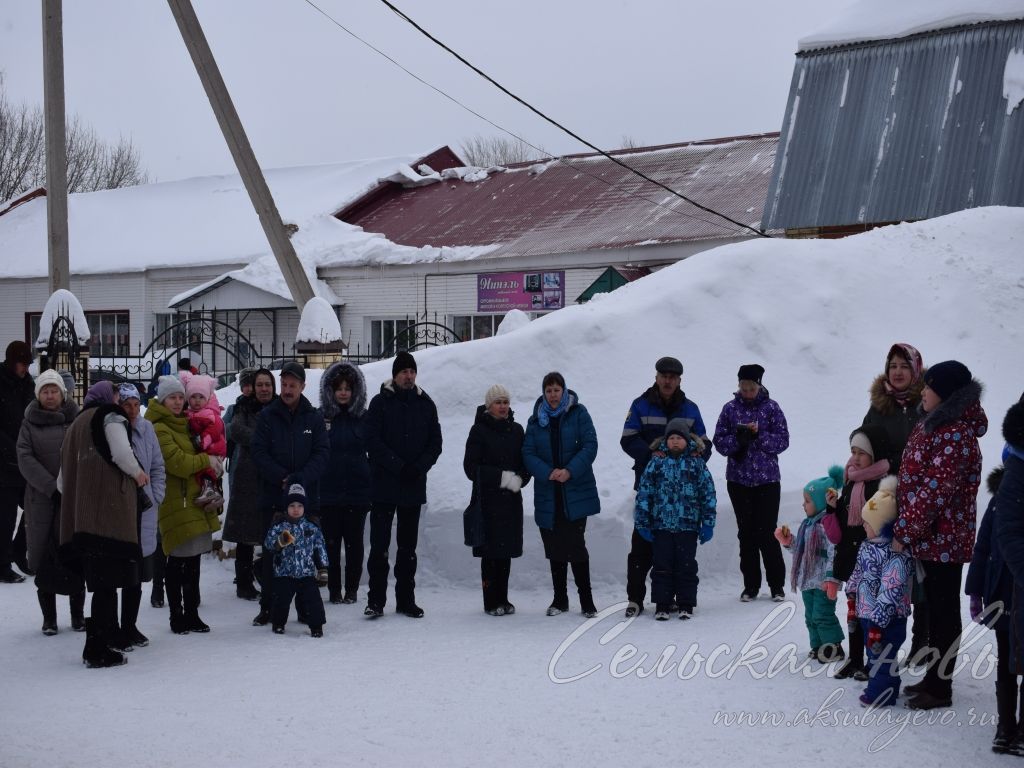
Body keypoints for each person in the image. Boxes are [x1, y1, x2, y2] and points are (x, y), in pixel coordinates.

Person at [895, 360, 986, 710]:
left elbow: (935, 490)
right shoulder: (933, 424)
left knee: (945, 611)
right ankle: (934, 678)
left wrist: (905, 529)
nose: (923, 391)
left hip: (944, 540)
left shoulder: (955, 434)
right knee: (934, 607)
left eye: (929, 387)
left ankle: (940, 687)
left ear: (946, 394)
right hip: (930, 538)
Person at [59, 381, 148, 668]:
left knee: (99, 584)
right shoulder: (109, 416)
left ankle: (101, 641)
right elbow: (122, 454)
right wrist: (138, 475)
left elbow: (61, 481)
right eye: (115, 396)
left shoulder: (75, 424)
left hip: (81, 521)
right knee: (108, 584)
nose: (118, 401)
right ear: (107, 398)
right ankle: (97, 649)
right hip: (107, 518)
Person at [620, 356, 710, 617]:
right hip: (650, 491)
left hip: (683, 497)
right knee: (641, 548)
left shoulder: (690, 409)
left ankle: (673, 599)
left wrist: (697, 456)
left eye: (673, 377)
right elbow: (627, 439)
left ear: (679, 380)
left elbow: (705, 442)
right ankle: (635, 599)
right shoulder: (640, 405)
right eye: (664, 376)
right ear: (656, 377)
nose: (668, 380)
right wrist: (652, 456)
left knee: (677, 554)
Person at [862, 342, 929, 660]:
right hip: (887, 499)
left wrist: (900, 463)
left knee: (922, 572)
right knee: (890, 573)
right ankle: (883, 643)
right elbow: (864, 442)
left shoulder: (928, 403)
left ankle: (922, 641)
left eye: (904, 365)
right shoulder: (879, 406)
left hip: (923, 498)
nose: (898, 372)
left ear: (915, 370)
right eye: (893, 366)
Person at [363, 351, 442, 619]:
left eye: (411, 372)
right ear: (394, 375)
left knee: (407, 549)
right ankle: (376, 600)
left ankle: (406, 599)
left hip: (413, 486)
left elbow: (435, 443)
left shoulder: (426, 404)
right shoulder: (379, 403)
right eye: (403, 372)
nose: (408, 376)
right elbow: (372, 441)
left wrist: (418, 467)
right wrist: (398, 465)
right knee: (379, 547)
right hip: (384, 486)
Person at [250, 362, 329, 626]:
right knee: (274, 554)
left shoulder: (314, 417)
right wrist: (282, 477)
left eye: (292, 385)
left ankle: (306, 610)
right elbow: (258, 452)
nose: (286, 390)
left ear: (302, 387)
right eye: (283, 384)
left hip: (307, 500)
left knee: (304, 556)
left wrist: (301, 480)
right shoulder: (267, 416)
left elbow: (322, 453)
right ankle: (269, 608)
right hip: (274, 497)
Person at [145, 375, 223, 634]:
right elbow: (176, 462)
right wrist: (206, 461)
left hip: (193, 501)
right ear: (162, 399)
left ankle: (191, 613)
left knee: (192, 562)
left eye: (181, 397)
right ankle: (176, 615)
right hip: (176, 500)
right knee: (177, 561)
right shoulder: (159, 428)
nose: (178, 402)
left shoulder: (186, 423)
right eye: (172, 397)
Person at [523, 371, 601, 617]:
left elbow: (590, 446)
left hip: (574, 490)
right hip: (549, 492)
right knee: (554, 548)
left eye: (557, 390)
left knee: (576, 547)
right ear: (543, 393)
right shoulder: (536, 421)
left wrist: (569, 471)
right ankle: (560, 600)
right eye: (549, 390)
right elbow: (528, 453)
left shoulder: (578, 413)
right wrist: (547, 472)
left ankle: (586, 601)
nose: (553, 395)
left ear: (564, 391)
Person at [714, 364, 790, 602]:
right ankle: (751, 586)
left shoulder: (771, 408)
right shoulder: (729, 409)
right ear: (738, 386)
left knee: (767, 532)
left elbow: (783, 440)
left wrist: (759, 436)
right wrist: (739, 439)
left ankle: (776, 585)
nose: (747, 392)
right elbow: (719, 442)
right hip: (738, 481)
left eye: (752, 388)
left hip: (767, 481)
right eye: (744, 388)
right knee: (746, 534)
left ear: (759, 386)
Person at [823, 425, 894, 681]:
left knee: (871, 612)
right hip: (850, 556)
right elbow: (842, 526)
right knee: (853, 610)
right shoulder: (850, 481)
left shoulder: (881, 483)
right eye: (852, 451)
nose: (855, 457)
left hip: (873, 560)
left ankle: (873, 660)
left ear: (873, 454)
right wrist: (833, 509)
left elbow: (882, 521)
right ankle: (854, 659)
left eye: (861, 452)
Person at [16, 369, 84, 634]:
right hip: (42, 501)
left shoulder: (75, 419)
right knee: (45, 556)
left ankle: (77, 616)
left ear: (62, 393)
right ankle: (49, 619)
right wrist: (50, 487)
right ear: (38, 395)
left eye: (54, 390)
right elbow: (25, 458)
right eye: (45, 391)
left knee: (74, 554)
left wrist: (71, 485)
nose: (50, 395)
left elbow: (84, 452)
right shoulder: (29, 423)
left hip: (72, 498)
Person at [967, 452, 1023, 754]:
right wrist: (975, 591)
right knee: (1007, 661)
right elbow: (983, 545)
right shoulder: (1001, 498)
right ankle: (1005, 725)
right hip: (1002, 591)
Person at [633, 418, 716, 621]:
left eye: (680, 438)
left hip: (687, 526)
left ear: (688, 441)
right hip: (661, 526)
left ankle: (685, 603)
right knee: (662, 566)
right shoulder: (656, 463)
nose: (676, 441)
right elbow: (645, 493)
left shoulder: (697, 463)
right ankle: (662, 603)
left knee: (686, 566)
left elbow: (708, 493)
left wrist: (708, 522)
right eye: (672, 438)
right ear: (665, 440)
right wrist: (643, 522)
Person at [462, 383, 530, 616]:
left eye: (505, 402)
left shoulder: (517, 430)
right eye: (498, 402)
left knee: (505, 552)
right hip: (488, 501)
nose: (502, 406)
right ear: (488, 406)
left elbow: (526, 462)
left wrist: (521, 478)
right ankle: (491, 601)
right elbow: (471, 467)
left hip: (511, 501)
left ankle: (504, 598)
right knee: (490, 554)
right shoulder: (479, 430)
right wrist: (502, 478)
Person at [846, 477, 914, 707]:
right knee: (877, 655)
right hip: (868, 613)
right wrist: (852, 591)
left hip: (887, 618)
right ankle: (889, 688)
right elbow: (858, 572)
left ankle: (879, 694)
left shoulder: (896, 554)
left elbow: (891, 589)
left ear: (883, 524)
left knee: (881, 656)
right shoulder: (867, 546)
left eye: (868, 522)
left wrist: (878, 620)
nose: (864, 525)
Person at [775, 465, 845, 663]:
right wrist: (789, 541)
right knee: (811, 617)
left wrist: (832, 579)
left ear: (821, 502)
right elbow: (803, 551)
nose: (803, 505)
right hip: (807, 580)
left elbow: (834, 552)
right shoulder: (808, 524)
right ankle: (818, 646)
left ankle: (833, 648)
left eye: (807, 501)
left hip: (823, 581)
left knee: (823, 615)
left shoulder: (827, 526)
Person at [318, 362, 371, 605]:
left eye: (347, 388)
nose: (343, 392)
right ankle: (334, 590)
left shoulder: (363, 418)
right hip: (328, 492)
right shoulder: (320, 418)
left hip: (357, 492)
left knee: (354, 545)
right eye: (338, 388)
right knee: (331, 545)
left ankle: (351, 590)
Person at [117, 383, 166, 648]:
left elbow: (157, 464)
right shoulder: (114, 430)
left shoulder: (147, 429)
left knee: (137, 572)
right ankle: (117, 628)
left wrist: (156, 494)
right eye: (127, 405)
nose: (133, 410)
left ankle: (131, 625)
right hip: (122, 510)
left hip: (145, 509)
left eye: (136, 404)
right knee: (121, 570)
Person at [222, 368, 275, 601]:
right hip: (247, 476)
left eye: (267, 385)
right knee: (244, 535)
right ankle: (243, 583)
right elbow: (235, 430)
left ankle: (270, 577)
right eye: (260, 384)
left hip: (272, 477)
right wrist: (264, 440)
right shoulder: (244, 407)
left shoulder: (280, 408)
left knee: (271, 532)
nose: (264, 389)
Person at [993, 395, 1024, 754]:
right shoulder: (1018, 469)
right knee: (1011, 656)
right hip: (1013, 582)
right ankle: (1008, 725)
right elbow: (1003, 532)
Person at [264, 484, 328, 636]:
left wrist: (323, 568)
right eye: (292, 505)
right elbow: (268, 544)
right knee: (281, 600)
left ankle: (316, 626)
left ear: (305, 507)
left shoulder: (312, 526)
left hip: (306, 573)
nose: (296, 509)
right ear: (286, 507)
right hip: (284, 572)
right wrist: (279, 542)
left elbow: (320, 548)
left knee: (314, 601)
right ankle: (278, 623)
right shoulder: (279, 525)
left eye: (300, 505)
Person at [0, 340, 34, 583]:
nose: (25, 369)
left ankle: (18, 551)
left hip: (25, 460)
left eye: (27, 364)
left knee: (34, 507)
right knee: (6, 517)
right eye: (23, 364)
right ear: (13, 362)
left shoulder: (28, 384)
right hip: (4, 463)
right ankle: (2, 564)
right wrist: (12, 448)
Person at [185, 375, 227, 510]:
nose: (197, 401)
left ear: (208, 398)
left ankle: (210, 490)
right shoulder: (191, 413)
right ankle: (210, 492)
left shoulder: (209, 413)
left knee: (206, 467)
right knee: (203, 467)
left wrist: (204, 440)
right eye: (193, 397)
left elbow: (215, 429)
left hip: (213, 447)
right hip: (206, 447)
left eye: (201, 397)